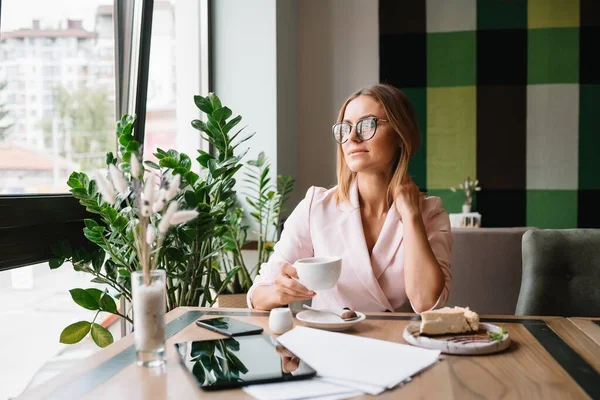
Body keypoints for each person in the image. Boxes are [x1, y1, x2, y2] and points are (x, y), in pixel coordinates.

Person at [248, 84, 452, 313]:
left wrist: (411, 216)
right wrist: (279, 292)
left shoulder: (429, 213)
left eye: (367, 125)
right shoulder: (316, 207)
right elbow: (258, 294)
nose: (352, 138)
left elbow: (427, 304)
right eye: (345, 128)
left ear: (400, 135)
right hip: (328, 343)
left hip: (397, 343)